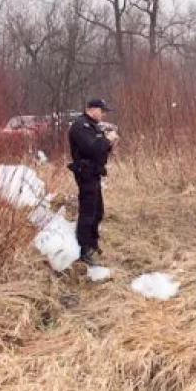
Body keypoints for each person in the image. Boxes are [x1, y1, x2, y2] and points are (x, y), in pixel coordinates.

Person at [68, 97, 119, 266]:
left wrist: (111, 144)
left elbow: (100, 150)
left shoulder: (93, 126)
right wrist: (107, 140)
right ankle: (83, 251)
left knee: (98, 211)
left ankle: (92, 243)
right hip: (85, 174)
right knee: (87, 213)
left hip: (95, 173)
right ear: (92, 108)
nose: (103, 115)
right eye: (102, 111)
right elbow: (92, 148)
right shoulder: (80, 126)